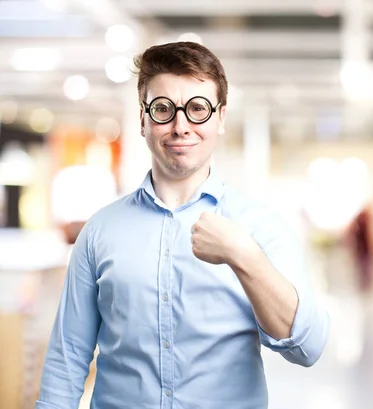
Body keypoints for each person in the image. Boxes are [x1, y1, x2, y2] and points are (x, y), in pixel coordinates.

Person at [36, 41, 330, 409]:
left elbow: (308, 347)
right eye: (163, 109)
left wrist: (244, 256)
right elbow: (67, 359)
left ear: (220, 118)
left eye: (197, 109)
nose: (180, 126)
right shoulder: (100, 232)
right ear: (142, 119)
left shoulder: (261, 227)